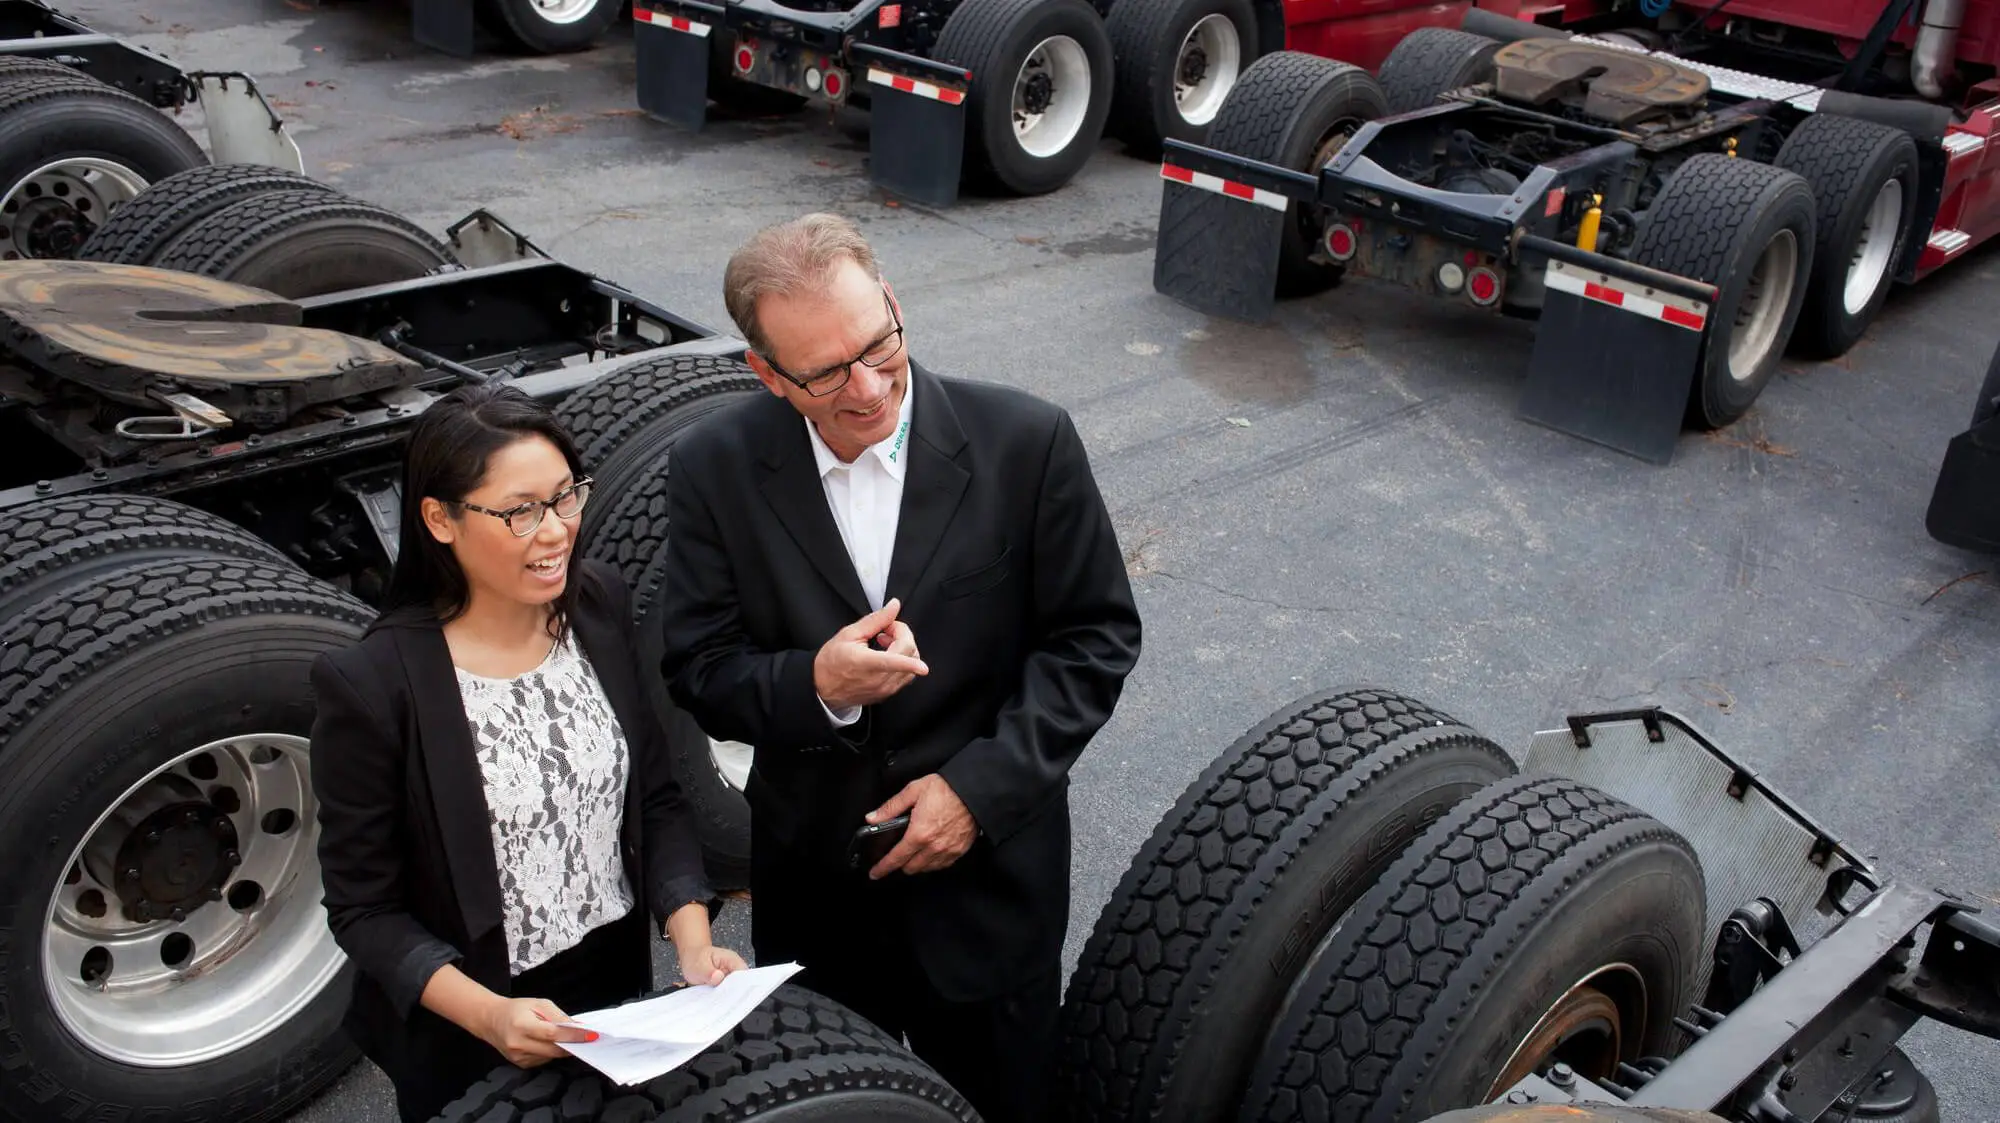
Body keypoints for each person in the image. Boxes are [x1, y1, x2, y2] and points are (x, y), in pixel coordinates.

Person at [656, 212, 1143, 1123]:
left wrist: (977, 792)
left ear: (892, 302)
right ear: (768, 374)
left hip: (990, 902)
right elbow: (698, 666)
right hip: (822, 913)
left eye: (880, 343)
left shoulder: (1026, 442)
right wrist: (816, 687)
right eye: (829, 373)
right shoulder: (712, 469)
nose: (871, 385)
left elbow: (1093, 640)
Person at [309, 381, 747, 1123]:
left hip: (613, 989)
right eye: (520, 511)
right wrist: (488, 1016)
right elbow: (364, 910)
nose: (555, 531)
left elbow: (656, 797)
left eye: (565, 496)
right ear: (440, 520)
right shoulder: (372, 685)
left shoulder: (597, 604)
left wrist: (694, 942)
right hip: (470, 1021)